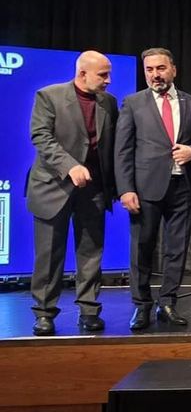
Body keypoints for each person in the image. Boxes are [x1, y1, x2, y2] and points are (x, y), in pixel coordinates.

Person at [115, 48, 191, 330]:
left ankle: (167, 302)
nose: (155, 74)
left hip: (183, 185)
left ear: (173, 70)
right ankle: (142, 305)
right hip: (144, 188)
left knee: (177, 247)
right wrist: (125, 189)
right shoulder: (133, 103)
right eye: (149, 70)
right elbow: (122, 151)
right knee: (142, 247)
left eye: (160, 68)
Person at [27, 50, 118, 336]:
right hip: (53, 186)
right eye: (103, 75)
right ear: (82, 74)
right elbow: (41, 136)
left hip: (93, 190)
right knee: (49, 254)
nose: (108, 81)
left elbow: (111, 147)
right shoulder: (49, 96)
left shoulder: (109, 103)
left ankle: (89, 310)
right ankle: (44, 313)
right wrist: (70, 166)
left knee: (91, 251)